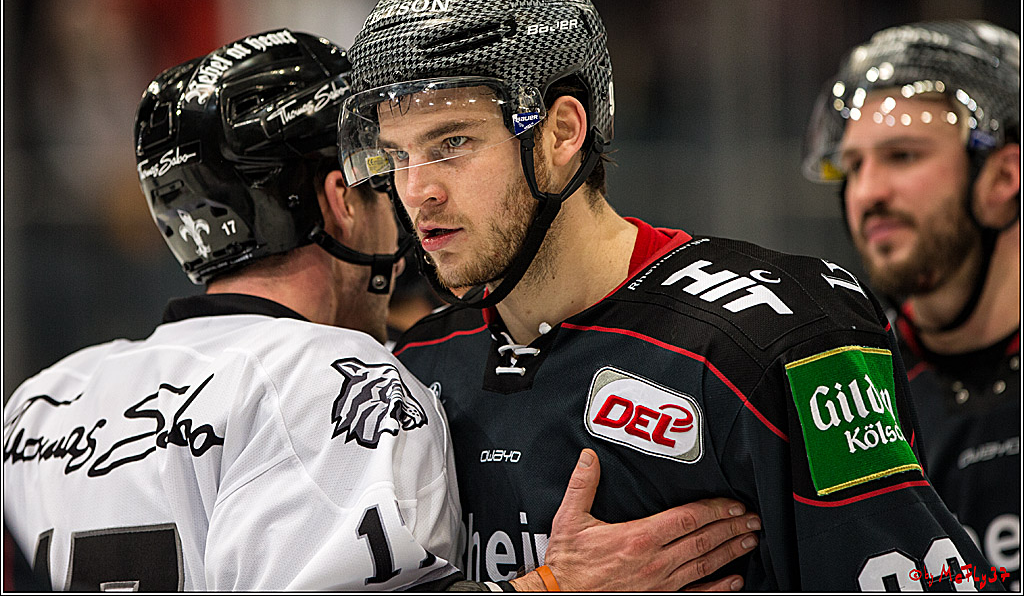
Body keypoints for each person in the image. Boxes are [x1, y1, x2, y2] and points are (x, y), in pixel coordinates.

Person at [338, 0, 1004, 590]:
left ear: (563, 132)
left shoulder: (780, 338)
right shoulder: (413, 371)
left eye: (452, 142)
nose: (417, 190)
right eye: (397, 156)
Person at [3, 29, 759, 592]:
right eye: (382, 172)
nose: (409, 202)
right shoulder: (339, 379)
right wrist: (556, 585)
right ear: (340, 200)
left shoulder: (39, 404)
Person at [803, 20, 1020, 589]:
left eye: (901, 156)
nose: (867, 192)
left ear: (1003, 177)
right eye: (852, 166)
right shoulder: (846, 393)